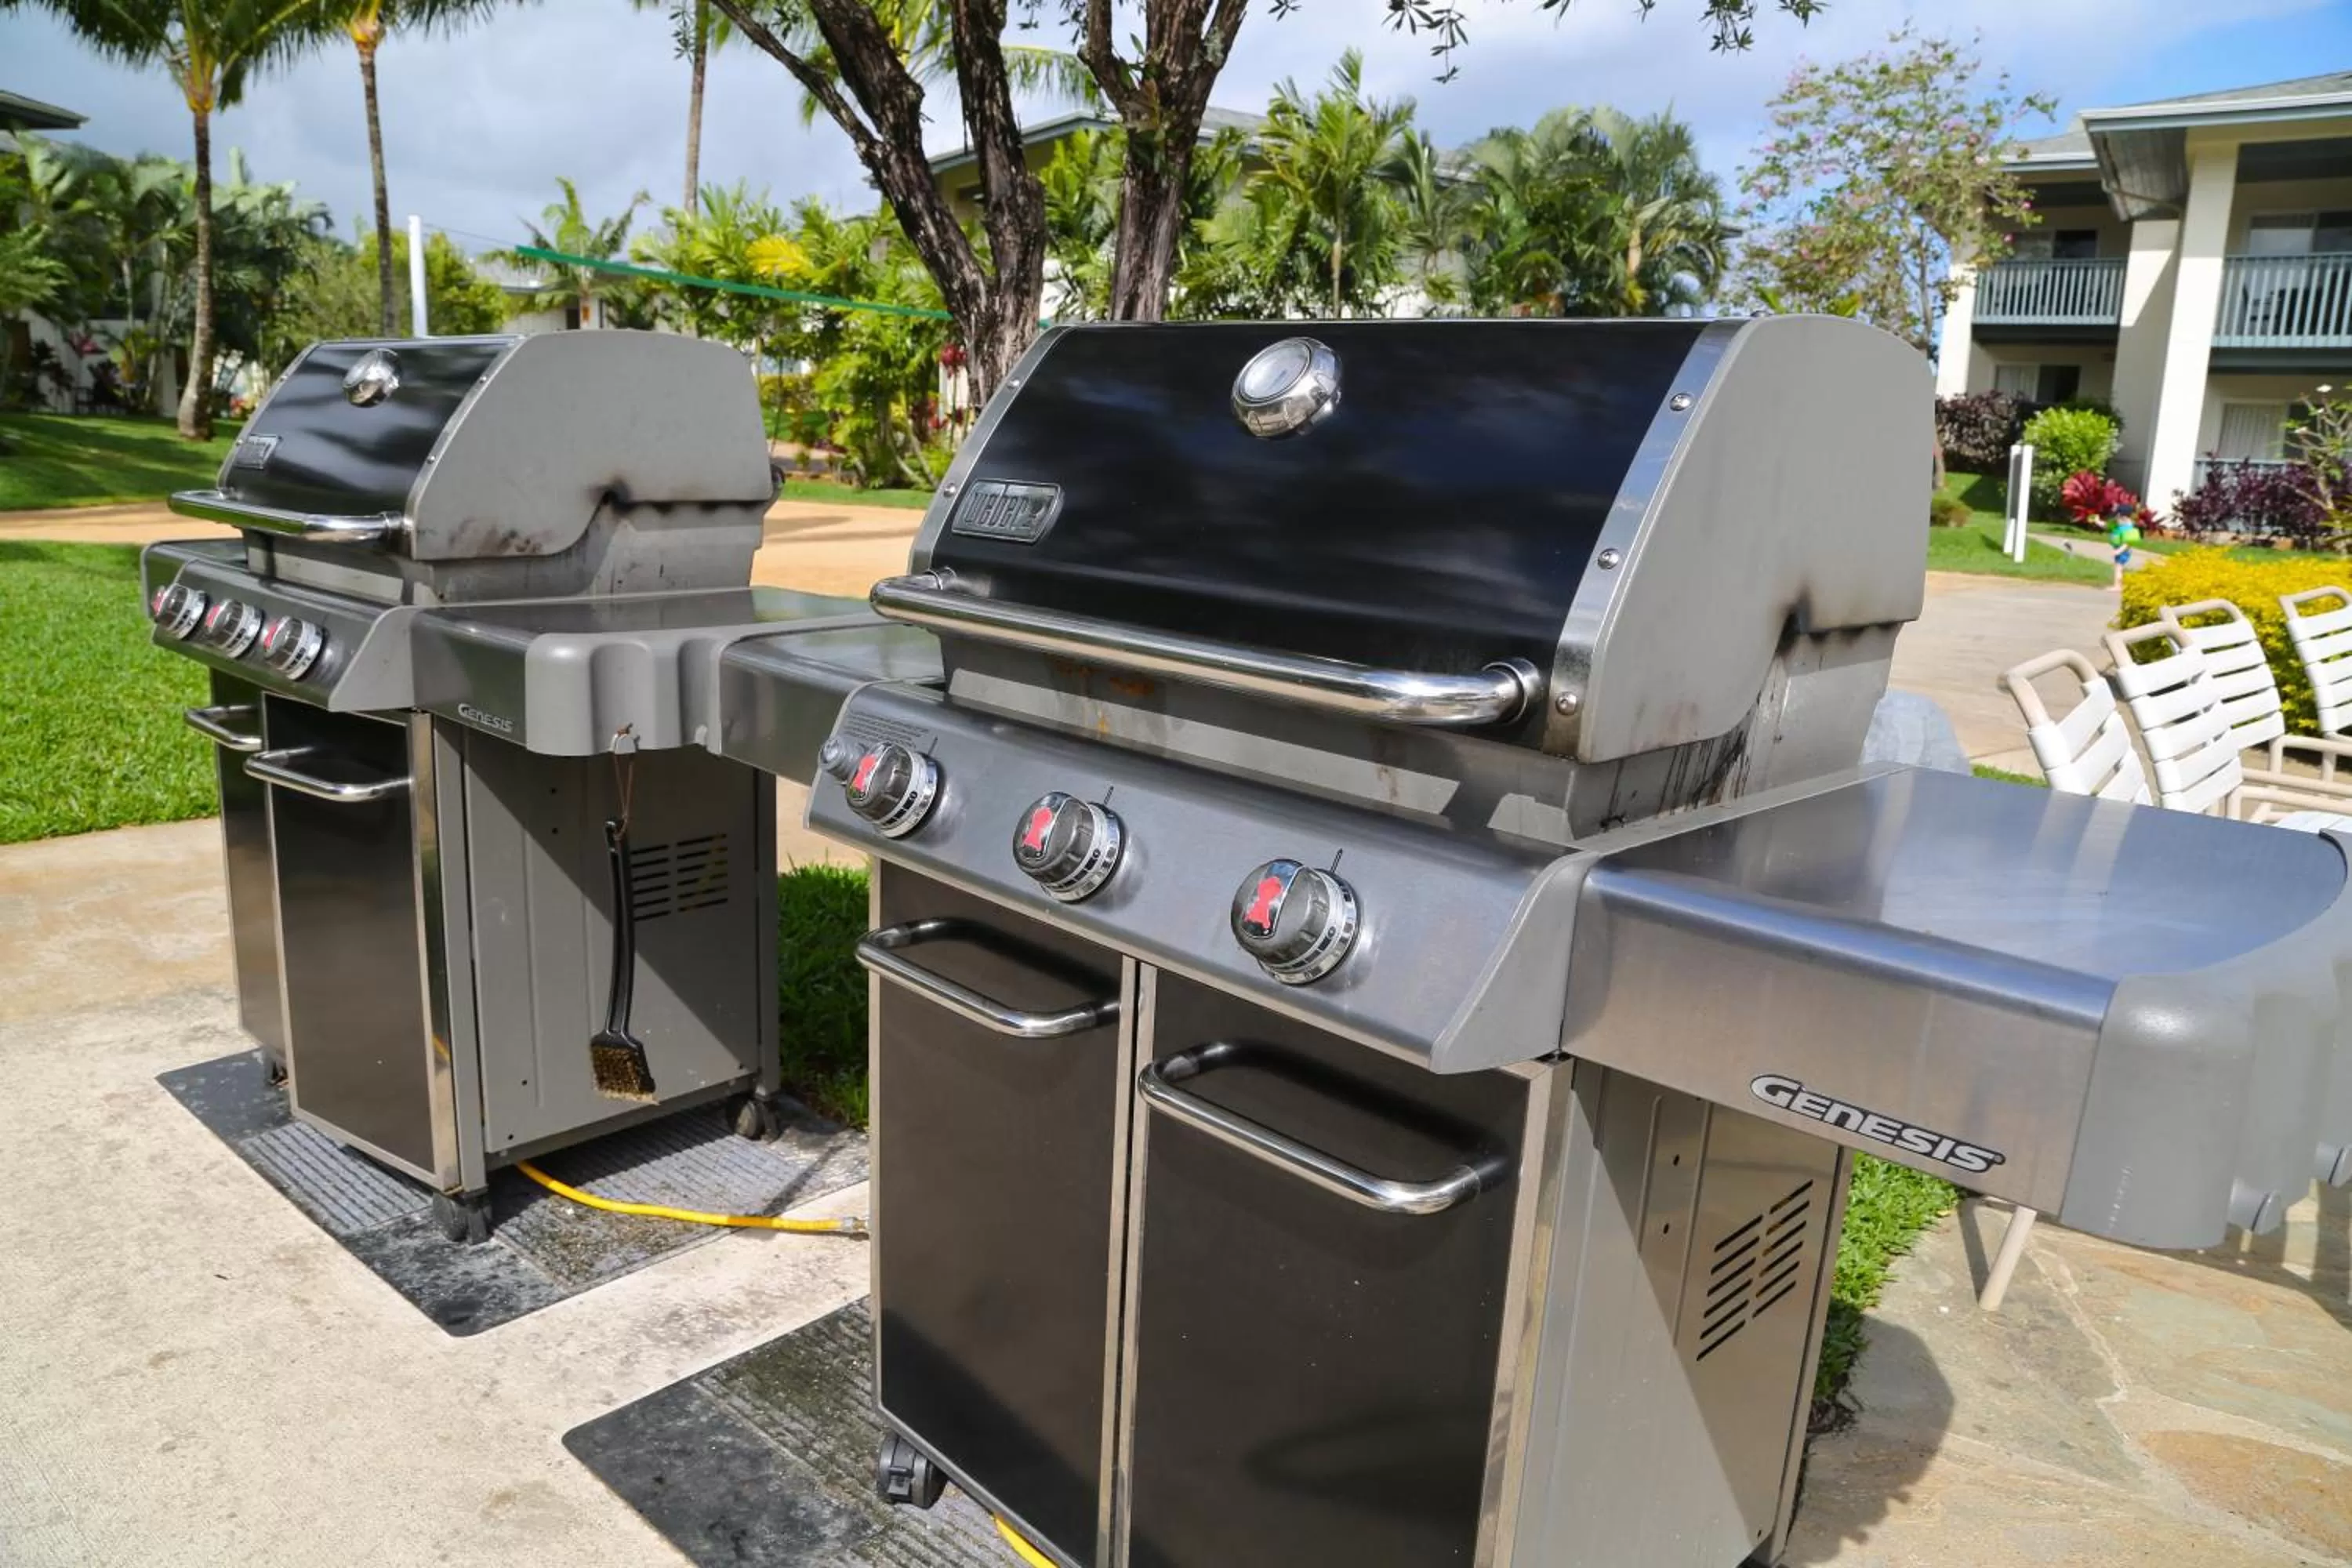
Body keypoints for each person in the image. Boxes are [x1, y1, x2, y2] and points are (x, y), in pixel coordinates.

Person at [2107, 508, 2142, 590]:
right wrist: (2097, 521)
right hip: (2121, 550)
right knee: (2118, 567)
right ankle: (2119, 585)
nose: (2116, 519)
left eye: (2117, 517)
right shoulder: (2121, 526)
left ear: (2123, 517)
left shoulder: (2128, 528)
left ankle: (2117, 586)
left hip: (2123, 551)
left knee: (2118, 568)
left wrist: (2118, 551)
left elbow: (2127, 543)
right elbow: (2106, 526)